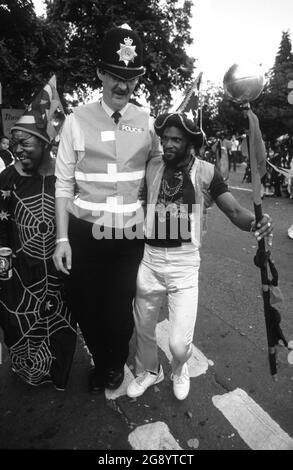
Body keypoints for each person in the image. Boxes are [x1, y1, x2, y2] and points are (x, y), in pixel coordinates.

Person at [126, 112, 273, 401]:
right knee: (143, 329)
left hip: (184, 265)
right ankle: (150, 371)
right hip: (150, 260)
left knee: (179, 344)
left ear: (190, 143)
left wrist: (255, 222)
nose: (167, 144)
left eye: (175, 139)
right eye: (165, 138)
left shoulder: (206, 172)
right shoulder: (152, 166)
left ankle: (179, 369)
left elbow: (234, 211)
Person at [53, 24, 162, 394]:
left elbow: (168, 175)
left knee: (118, 316)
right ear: (100, 72)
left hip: (129, 236)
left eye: (130, 78)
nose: (122, 86)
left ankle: (113, 364)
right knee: (86, 309)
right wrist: (62, 238)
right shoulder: (75, 121)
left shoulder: (149, 123)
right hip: (85, 235)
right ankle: (103, 358)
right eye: (115, 75)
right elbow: (63, 184)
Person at [0, 79, 76, 391]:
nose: (17, 150)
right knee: (19, 323)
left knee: (60, 323)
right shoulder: (7, 179)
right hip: (21, 270)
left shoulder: (64, 176)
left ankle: (57, 374)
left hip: (58, 267)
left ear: (44, 144)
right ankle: (28, 371)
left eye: (25, 144)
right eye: (13, 143)